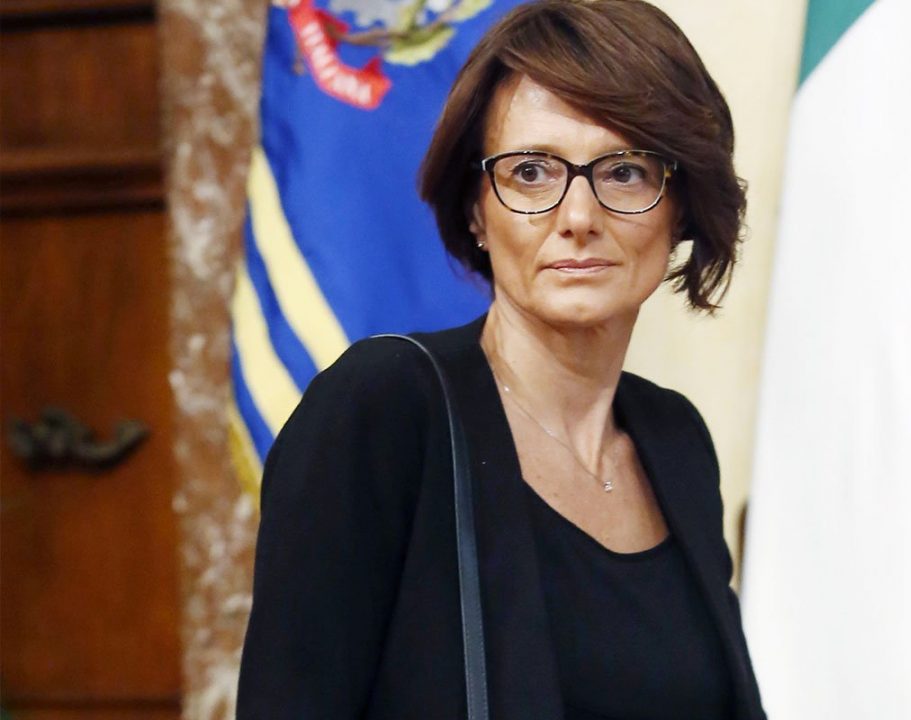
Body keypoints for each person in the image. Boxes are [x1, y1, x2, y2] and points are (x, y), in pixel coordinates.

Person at [237, 1, 766, 718]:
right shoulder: (385, 409)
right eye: (531, 172)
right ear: (475, 210)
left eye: (625, 172)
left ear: (681, 208)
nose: (578, 217)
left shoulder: (675, 442)